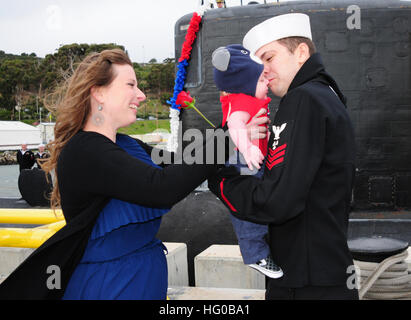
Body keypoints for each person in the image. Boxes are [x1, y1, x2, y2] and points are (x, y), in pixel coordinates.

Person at [0, 49, 268, 300]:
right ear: (99, 94)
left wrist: (236, 124)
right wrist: (227, 138)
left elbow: (184, 165)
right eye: (130, 85)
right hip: (110, 284)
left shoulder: (126, 144)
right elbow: (161, 189)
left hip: (137, 277)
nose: (141, 95)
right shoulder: (85, 150)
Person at [208, 13, 359, 300]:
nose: (262, 71)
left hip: (303, 281)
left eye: (269, 57)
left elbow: (277, 200)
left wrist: (221, 181)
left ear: (301, 52)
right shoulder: (328, 95)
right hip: (326, 270)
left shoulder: (302, 99)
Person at [212, 44, 283, 279]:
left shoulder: (249, 99)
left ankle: (261, 248)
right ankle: (255, 254)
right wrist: (248, 150)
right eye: (263, 80)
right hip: (243, 161)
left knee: (257, 203)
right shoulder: (241, 101)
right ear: (244, 82)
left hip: (253, 160)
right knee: (247, 209)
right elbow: (235, 126)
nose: (268, 85)